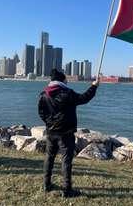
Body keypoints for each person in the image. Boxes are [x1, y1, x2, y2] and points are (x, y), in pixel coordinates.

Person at [38, 69, 99, 198]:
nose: (67, 80)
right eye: (65, 79)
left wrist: (49, 123)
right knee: (66, 161)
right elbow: (84, 98)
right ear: (62, 80)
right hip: (66, 133)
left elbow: (41, 113)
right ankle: (67, 190)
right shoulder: (67, 93)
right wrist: (94, 87)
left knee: (49, 157)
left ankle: (46, 184)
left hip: (51, 132)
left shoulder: (44, 94)